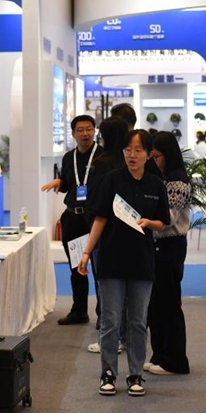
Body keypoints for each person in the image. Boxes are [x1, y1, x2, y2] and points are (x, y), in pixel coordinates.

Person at [77, 130, 170, 397]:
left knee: (138, 321)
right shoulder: (112, 179)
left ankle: (135, 374)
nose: (132, 155)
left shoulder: (155, 185)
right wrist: (86, 253)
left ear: (149, 154)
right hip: (111, 258)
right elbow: (100, 218)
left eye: (139, 150)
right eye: (128, 149)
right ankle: (108, 373)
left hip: (142, 261)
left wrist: (149, 223)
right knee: (110, 320)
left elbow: (163, 222)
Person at [41, 114, 102, 325]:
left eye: (89, 129)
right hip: (73, 218)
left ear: (95, 131)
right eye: (80, 130)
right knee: (77, 268)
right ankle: (79, 311)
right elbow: (68, 183)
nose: (85, 134)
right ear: (73, 133)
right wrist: (60, 181)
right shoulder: (69, 157)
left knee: (99, 267)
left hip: (95, 219)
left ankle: (104, 314)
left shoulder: (102, 156)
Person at [145, 131, 191, 376]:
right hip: (158, 245)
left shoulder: (177, 181)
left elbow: (169, 219)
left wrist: (142, 220)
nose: (154, 161)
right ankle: (160, 354)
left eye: (157, 156)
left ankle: (175, 360)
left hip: (170, 245)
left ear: (168, 154)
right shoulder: (162, 177)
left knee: (169, 304)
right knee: (156, 305)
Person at [82, 117, 127, 349]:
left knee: (108, 290)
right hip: (129, 233)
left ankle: (112, 339)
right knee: (128, 290)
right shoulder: (130, 162)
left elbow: (97, 201)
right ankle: (125, 336)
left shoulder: (102, 162)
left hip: (105, 232)